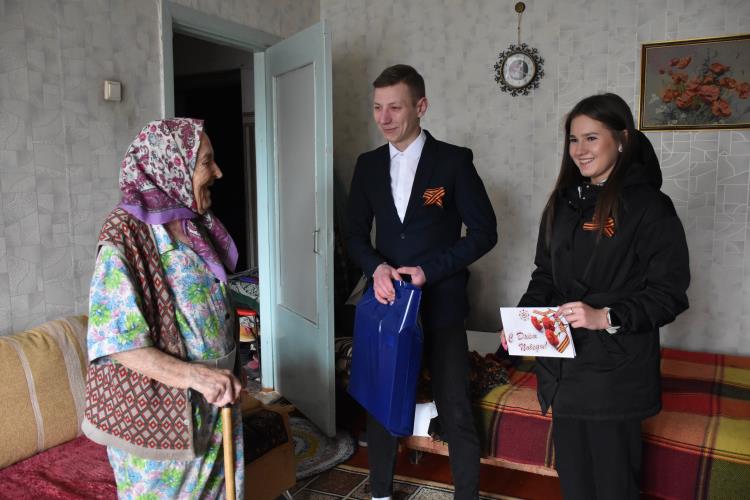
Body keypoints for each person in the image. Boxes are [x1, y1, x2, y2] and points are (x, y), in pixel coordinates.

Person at [500, 93, 690, 499]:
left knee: (613, 485)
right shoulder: (563, 202)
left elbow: (669, 293)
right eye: (573, 139)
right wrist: (521, 322)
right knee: (575, 481)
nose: (579, 150)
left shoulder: (650, 207)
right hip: (563, 367)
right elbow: (545, 275)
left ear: (622, 140)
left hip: (615, 371)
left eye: (591, 138)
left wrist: (604, 316)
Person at [347, 64, 497, 500]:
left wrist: (430, 270)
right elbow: (354, 234)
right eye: (377, 107)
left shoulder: (454, 161)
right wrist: (375, 267)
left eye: (395, 107)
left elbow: (484, 232)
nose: (384, 117)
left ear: (421, 106)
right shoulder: (367, 165)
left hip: (442, 304)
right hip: (387, 304)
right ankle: (379, 493)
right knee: (380, 404)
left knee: (455, 406)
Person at [82, 118, 245, 498]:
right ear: (171, 165)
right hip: (160, 413)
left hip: (214, 400)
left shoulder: (193, 222)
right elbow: (116, 340)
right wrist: (195, 376)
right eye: (206, 162)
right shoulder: (124, 234)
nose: (218, 172)